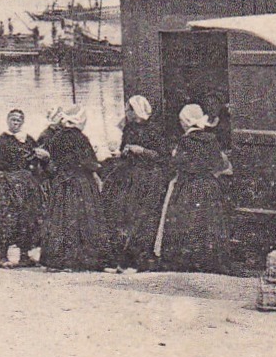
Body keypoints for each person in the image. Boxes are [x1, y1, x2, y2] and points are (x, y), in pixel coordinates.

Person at [155, 104, 233, 274]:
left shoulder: (185, 141)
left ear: (185, 122)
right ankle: (208, 259)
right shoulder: (211, 139)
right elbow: (219, 164)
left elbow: (175, 165)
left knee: (186, 222)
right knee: (208, 223)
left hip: (188, 187)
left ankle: (188, 260)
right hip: (208, 186)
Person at [100, 96, 168, 273]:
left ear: (136, 111)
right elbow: (125, 150)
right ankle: (123, 258)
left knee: (142, 218)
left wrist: (142, 151)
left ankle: (139, 260)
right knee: (124, 216)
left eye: (128, 110)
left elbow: (162, 156)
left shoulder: (154, 130)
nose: (126, 114)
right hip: (130, 176)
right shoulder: (129, 128)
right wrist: (123, 152)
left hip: (148, 177)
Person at [38, 106, 103, 272]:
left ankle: (58, 259)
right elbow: (89, 162)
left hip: (62, 182)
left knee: (61, 219)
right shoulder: (81, 138)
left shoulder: (57, 137)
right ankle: (80, 260)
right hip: (80, 182)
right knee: (83, 219)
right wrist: (97, 166)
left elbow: (51, 163)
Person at [0, 109, 42, 268]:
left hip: (27, 185)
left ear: (23, 122)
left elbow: (38, 160)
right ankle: (3, 256)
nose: (16, 122)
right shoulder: (1, 140)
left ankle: (24, 256)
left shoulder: (28, 140)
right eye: (13, 119)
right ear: (8, 121)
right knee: (6, 218)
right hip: (8, 184)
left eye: (19, 120)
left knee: (27, 218)